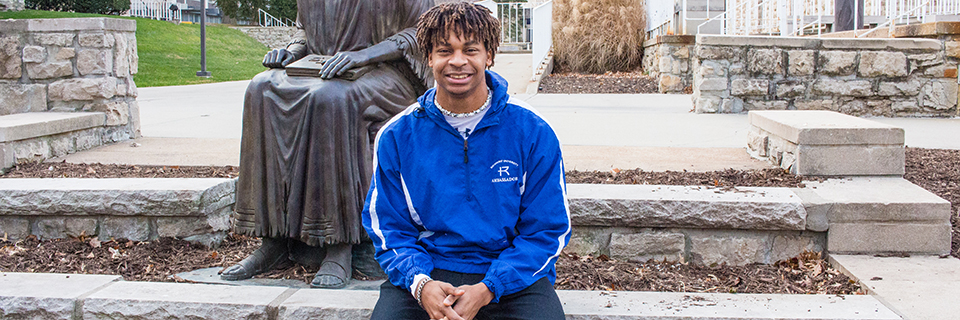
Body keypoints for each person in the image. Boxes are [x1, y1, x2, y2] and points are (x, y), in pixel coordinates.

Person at [362, 3, 570, 319]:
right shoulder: (397, 135)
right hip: (429, 271)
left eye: (470, 49)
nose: (458, 61)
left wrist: (490, 287)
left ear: (489, 56)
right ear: (429, 57)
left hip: (512, 278)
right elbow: (389, 227)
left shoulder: (532, 130)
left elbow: (547, 229)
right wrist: (421, 284)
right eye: (445, 51)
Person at [220, 0, 435, 288]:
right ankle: (273, 240)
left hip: (389, 74)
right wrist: (292, 52)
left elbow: (421, 31)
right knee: (260, 89)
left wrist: (364, 56)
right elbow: (303, 31)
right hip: (323, 70)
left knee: (331, 100)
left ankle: (339, 246)